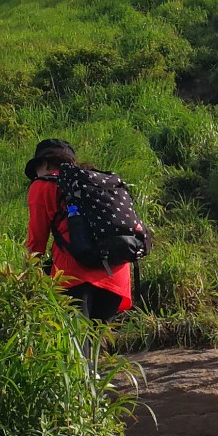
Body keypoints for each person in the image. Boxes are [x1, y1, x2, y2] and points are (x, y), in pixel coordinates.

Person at [25, 138, 135, 321]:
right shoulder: (95, 181)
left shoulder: (43, 185)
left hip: (73, 274)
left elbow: (36, 243)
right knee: (93, 345)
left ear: (44, 164)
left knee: (76, 344)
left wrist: (24, 284)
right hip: (116, 274)